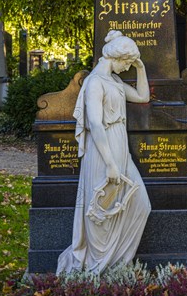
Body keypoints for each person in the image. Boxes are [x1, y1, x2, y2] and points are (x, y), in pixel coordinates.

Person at [56, 30, 151, 275]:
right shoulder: (95, 83)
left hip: (120, 145)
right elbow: (95, 124)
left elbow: (142, 97)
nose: (127, 67)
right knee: (101, 208)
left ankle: (117, 262)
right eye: (128, 62)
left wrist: (140, 67)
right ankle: (98, 264)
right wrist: (110, 164)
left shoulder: (115, 82)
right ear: (116, 57)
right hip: (103, 151)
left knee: (142, 205)